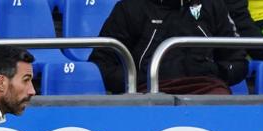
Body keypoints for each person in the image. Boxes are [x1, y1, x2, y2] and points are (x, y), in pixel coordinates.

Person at [89, 0, 249, 94]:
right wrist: (138, 80)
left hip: (207, 88)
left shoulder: (212, 5)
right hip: (149, 91)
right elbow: (102, 64)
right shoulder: (130, 7)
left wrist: (213, 71)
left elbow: (238, 62)